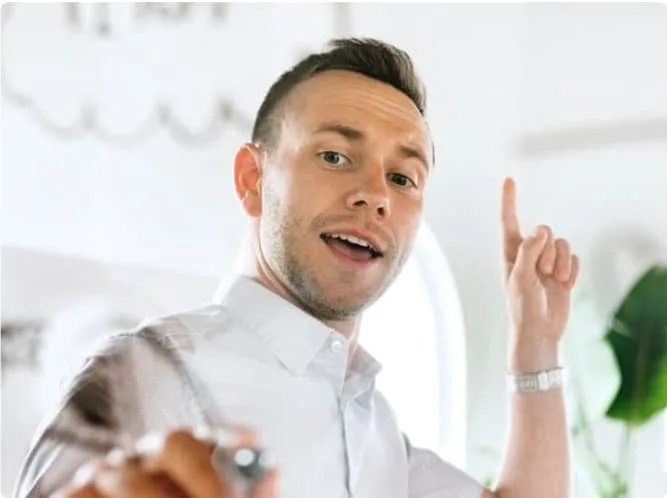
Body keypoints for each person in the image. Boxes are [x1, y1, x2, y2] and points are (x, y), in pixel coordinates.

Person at [14, 38, 579, 498]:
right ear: (252, 180)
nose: (376, 195)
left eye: (403, 178)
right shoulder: (147, 372)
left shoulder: (376, 428)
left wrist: (535, 345)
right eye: (335, 156)